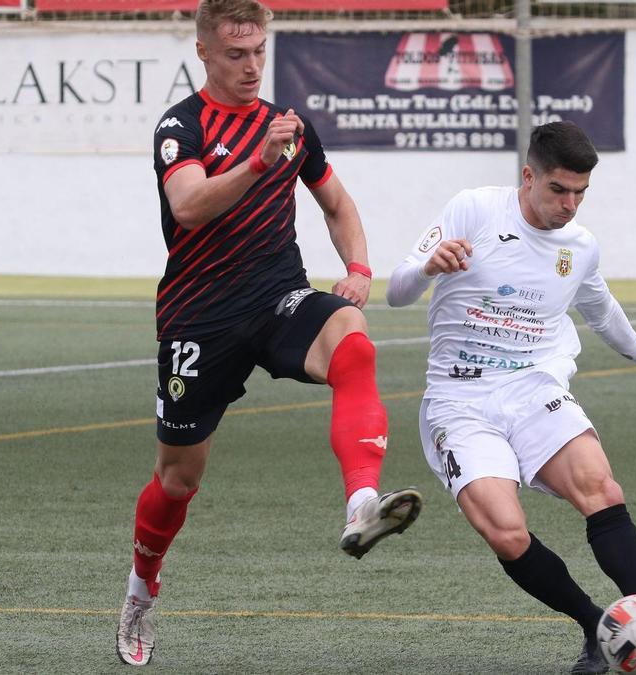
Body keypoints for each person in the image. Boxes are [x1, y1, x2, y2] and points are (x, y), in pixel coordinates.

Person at [115, 0, 422, 666]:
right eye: (235, 53)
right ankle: (142, 585)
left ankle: (362, 502)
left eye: (259, 51)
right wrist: (258, 161)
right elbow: (189, 206)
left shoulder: (289, 126)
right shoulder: (182, 125)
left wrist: (360, 266)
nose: (252, 66)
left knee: (353, 340)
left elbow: (337, 203)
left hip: (278, 296)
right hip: (198, 318)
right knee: (176, 478)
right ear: (203, 51)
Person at [386, 121, 636, 674]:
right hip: (460, 400)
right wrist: (428, 266)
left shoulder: (580, 246)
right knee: (504, 530)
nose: (569, 204)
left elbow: (601, 309)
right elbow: (396, 289)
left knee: (600, 486)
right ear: (528, 177)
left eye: (580, 193)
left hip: (533, 387)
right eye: (558, 190)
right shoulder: (474, 209)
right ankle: (595, 627)